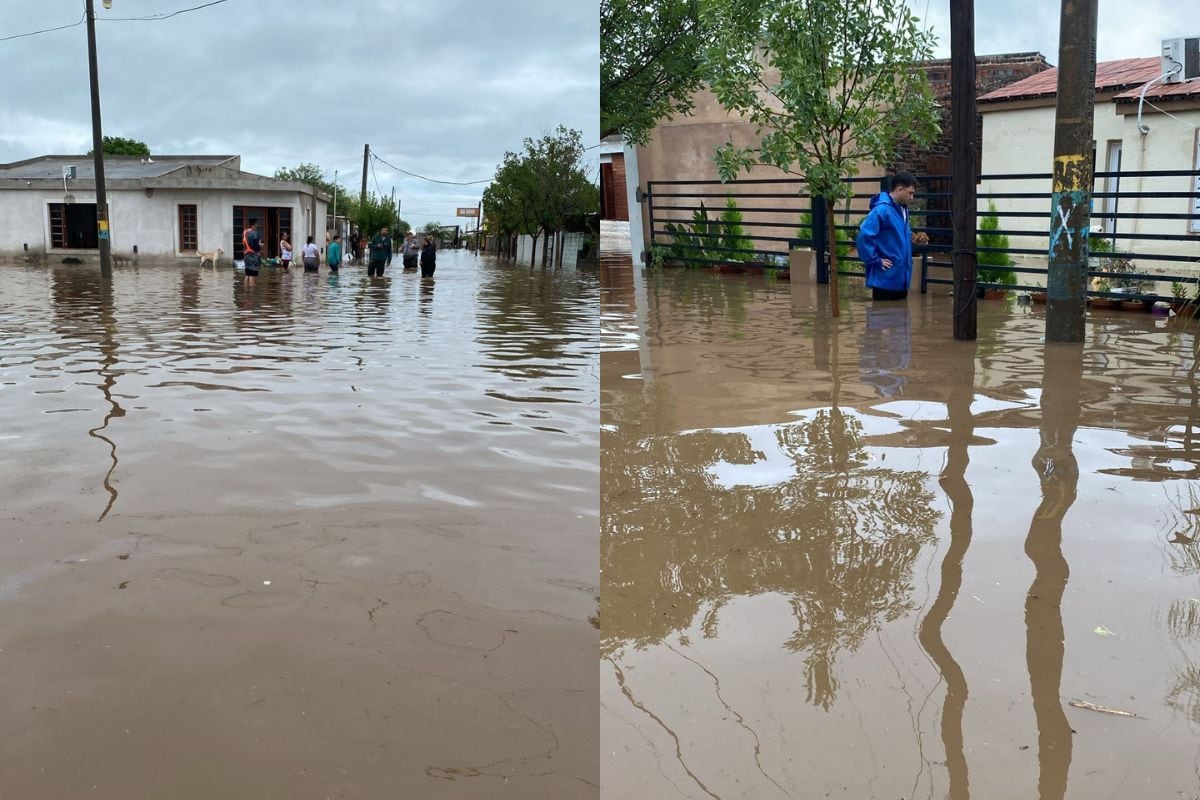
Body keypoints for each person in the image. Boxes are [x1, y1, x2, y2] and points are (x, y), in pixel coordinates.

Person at [855, 171, 921, 301]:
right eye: (910, 193)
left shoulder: (902, 209)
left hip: (900, 278)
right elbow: (864, 236)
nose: (912, 197)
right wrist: (874, 260)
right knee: (883, 317)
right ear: (900, 189)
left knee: (898, 316)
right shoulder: (882, 210)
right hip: (886, 279)